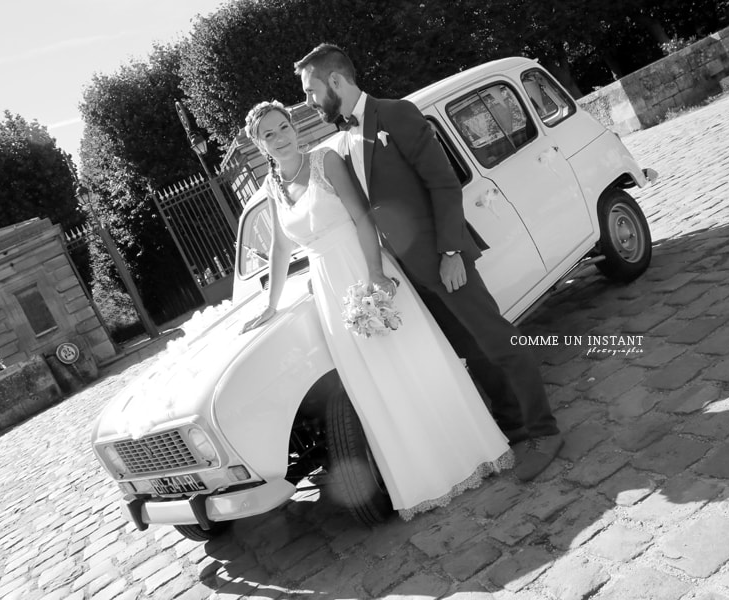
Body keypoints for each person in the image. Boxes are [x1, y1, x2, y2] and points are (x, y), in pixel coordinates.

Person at [293, 43, 563, 482]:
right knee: (471, 352)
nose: (307, 101)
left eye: (310, 90)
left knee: (499, 343)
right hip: (412, 274)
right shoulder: (342, 139)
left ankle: (544, 431)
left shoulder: (395, 114)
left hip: (445, 260)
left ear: (335, 81)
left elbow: (443, 183)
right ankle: (513, 428)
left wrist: (452, 252)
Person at [240, 100, 512, 520]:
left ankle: (470, 451)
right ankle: (421, 475)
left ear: (294, 127)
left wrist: (373, 277)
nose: (280, 138)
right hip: (330, 292)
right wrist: (269, 306)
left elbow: (362, 217)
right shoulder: (273, 189)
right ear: (260, 146)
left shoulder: (324, 161)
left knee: (414, 359)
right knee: (376, 383)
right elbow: (280, 248)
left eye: (283, 127)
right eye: (269, 135)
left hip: (364, 265)